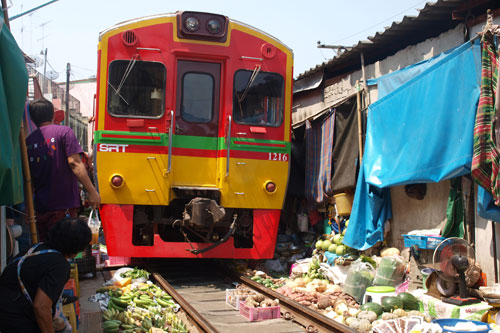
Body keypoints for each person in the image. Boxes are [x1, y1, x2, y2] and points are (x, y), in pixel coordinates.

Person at [26, 98, 101, 241]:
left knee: (46, 249)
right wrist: (92, 191)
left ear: (32, 118)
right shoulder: (64, 132)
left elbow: (27, 178)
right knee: (64, 249)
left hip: (40, 208)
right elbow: (74, 163)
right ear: (53, 115)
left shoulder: (28, 141)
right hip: (63, 206)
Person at [0, 217, 92, 332]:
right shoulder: (60, 265)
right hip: (14, 320)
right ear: (77, 247)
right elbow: (41, 307)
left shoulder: (36, 247)